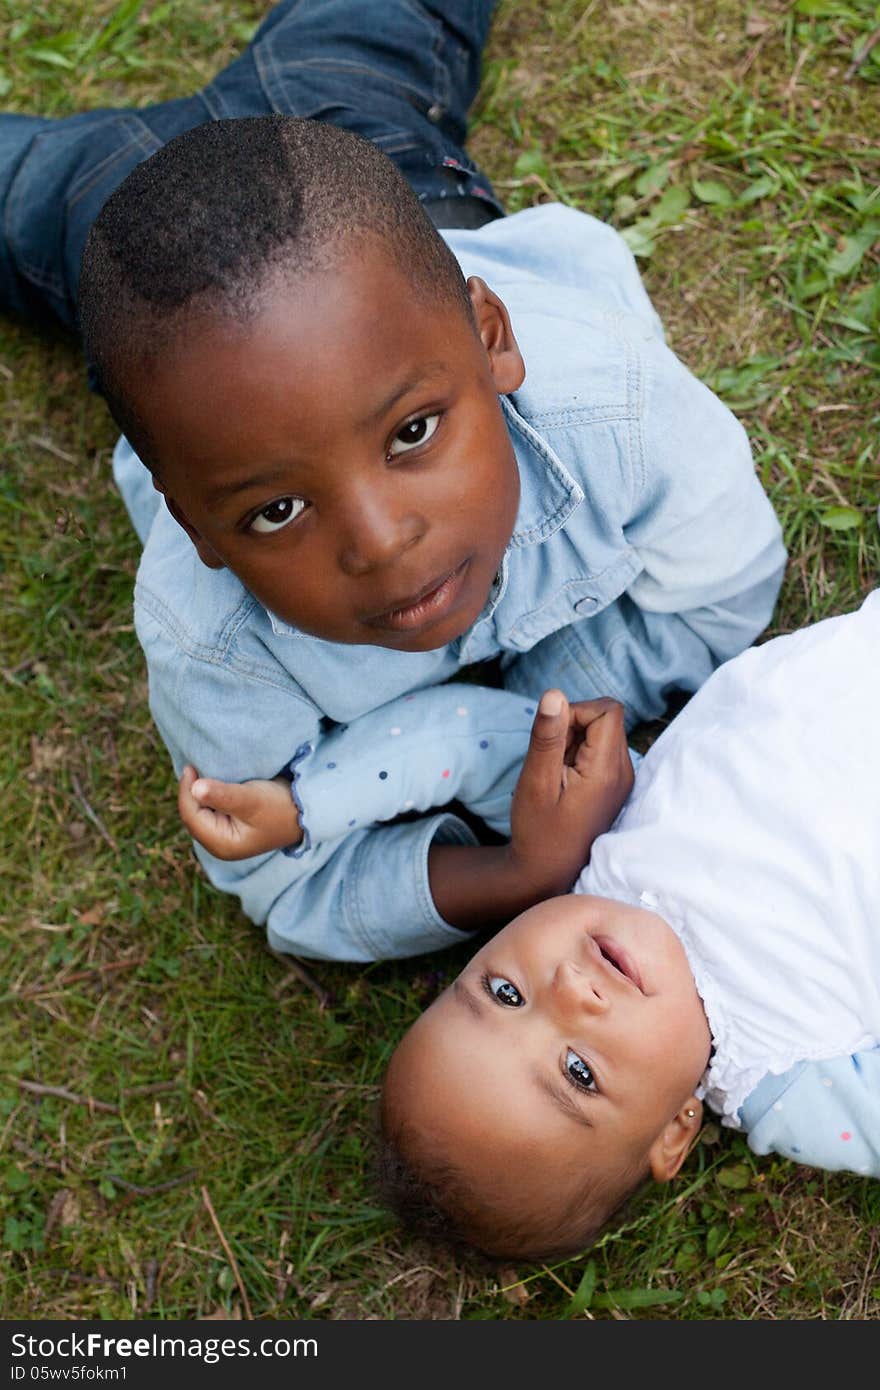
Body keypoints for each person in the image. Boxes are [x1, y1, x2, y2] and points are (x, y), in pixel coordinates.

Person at [0, 1, 786, 961]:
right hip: (114, 221)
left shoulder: (613, 411)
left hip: (366, 148)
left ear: (493, 341)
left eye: (412, 432)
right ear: (193, 527)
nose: (379, 539)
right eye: (276, 510)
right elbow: (280, 882)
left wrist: (550, 715)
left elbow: (725, 584)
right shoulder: (211, 641)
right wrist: (514, 872)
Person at [378, 589, 880, 1260]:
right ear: (673, 1130)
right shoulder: (782, 1079)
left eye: (505, 993)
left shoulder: (590, 842)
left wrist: (306, 803)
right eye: (579, 1071)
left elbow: (461, 736)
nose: (569, 991)